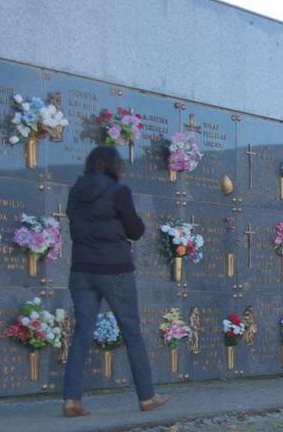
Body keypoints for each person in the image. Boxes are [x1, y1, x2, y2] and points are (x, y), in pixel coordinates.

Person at [62, 146, 168, 417]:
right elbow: (135, 230)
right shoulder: (119, 192)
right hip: (115, 270)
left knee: (82, 333)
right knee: (132, 332)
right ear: (113, 165)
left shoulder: (76, 191)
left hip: (81, 270)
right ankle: (147, 396)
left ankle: (72, 399)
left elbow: (75, 223)